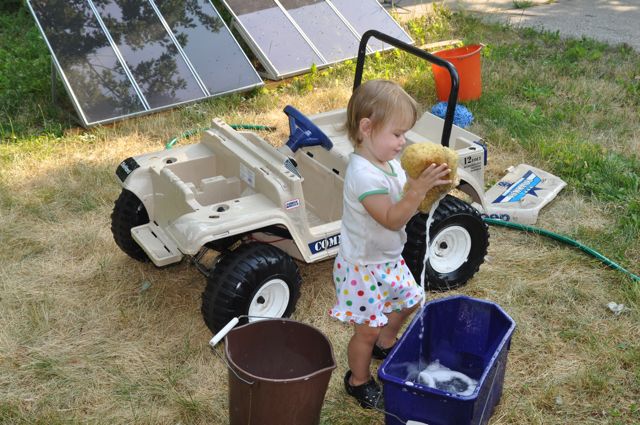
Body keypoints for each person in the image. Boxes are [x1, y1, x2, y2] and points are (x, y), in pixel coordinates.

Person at [329, 79, 452, 409]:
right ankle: (358, 380)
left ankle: (385, 341)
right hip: (361, 268)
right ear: (366, 128)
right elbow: (392, 217)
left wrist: (423, 185)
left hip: (387, 259)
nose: (403, 142)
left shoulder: (387, 162)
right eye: (397, 134)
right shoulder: (362, 175)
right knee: (365, 331)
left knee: (409, 300)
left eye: (405, 134)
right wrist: (415, 191)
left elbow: (403, 193)